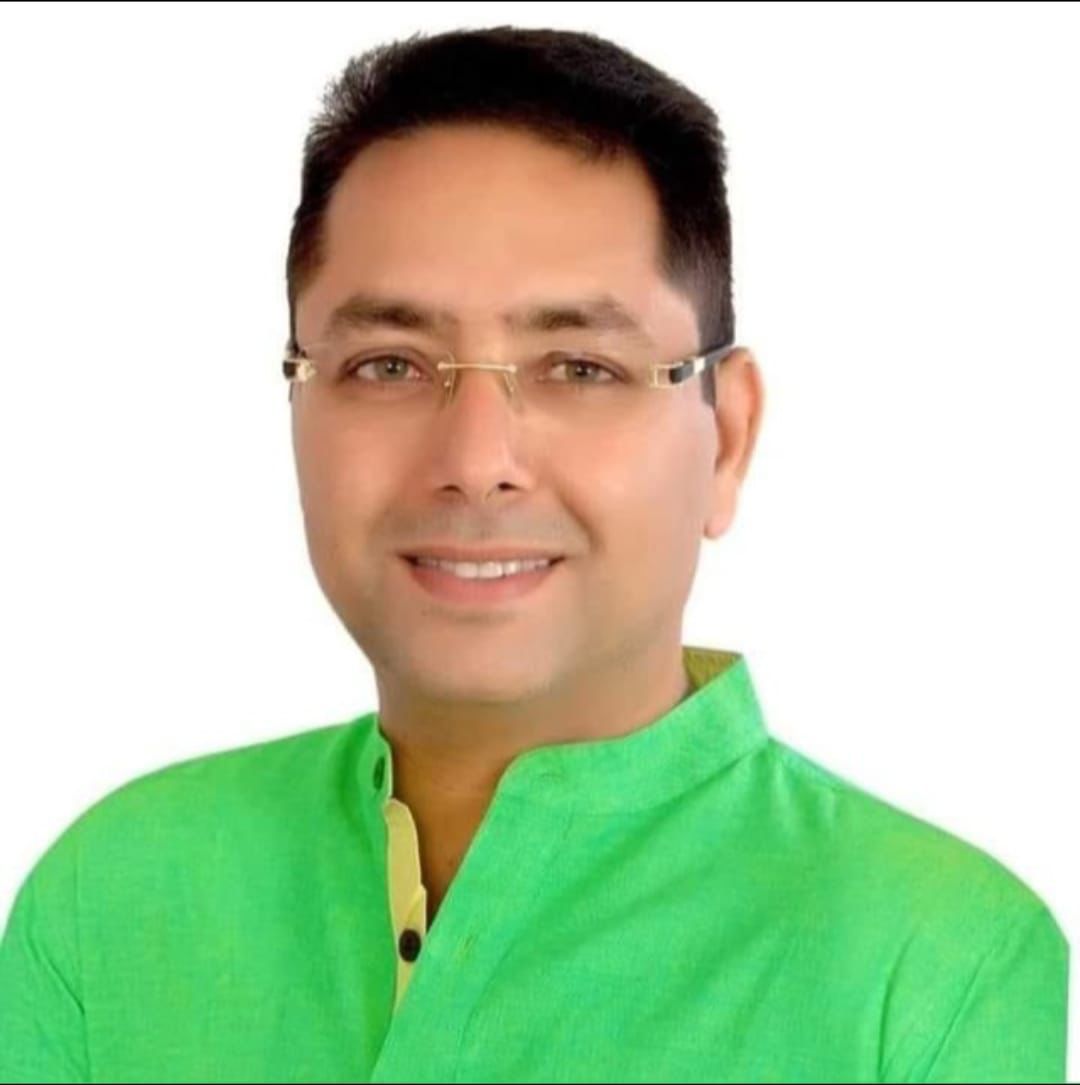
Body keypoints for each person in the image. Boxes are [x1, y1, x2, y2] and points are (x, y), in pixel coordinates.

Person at [0, 25, 1068, 1084]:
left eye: (580, 367)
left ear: (727, 437)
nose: (477, 462)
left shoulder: (936, 969)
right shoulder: (113, 895)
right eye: (388, 364)